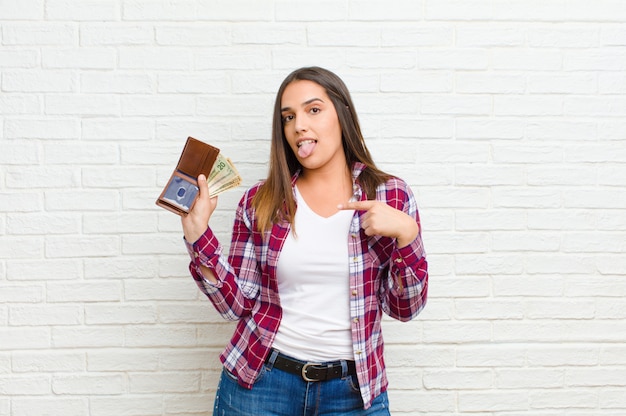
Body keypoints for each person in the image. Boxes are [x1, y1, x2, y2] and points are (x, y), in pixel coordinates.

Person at [181, 66, 428, 415]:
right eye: (288, 117)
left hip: (353, 392)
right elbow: (235, 306)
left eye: (313, 110)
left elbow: (405, 308)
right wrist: (198, 236)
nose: (298, 125)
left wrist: (407, 238)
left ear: (341, 115)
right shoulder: (260, 202)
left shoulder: (391, 196)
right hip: (260, 385)